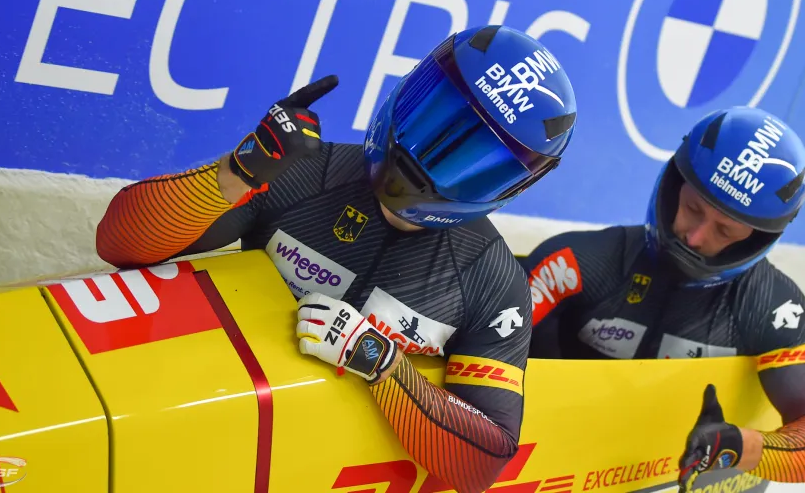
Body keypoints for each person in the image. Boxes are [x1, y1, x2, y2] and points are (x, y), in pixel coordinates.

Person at [96, 25, 578, 493]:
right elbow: (120, 244)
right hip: (207, 426)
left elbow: (482, 463)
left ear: (509, 187)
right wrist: (240, 169)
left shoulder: (492, 281)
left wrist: (379, 362)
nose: (427, 158)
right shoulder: (306, 172)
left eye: (470, 156)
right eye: (435, 116)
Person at [521, 107, 805, 488]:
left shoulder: (772, 308)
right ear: (673, 186)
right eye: (692, 209)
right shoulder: (575, 264)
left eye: (725, 231)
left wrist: (737, 447)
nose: (695, 238)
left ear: (756, 238)